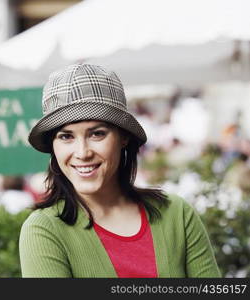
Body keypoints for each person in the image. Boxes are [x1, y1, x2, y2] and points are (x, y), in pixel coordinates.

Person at [19, 64, 220, 278]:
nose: (82, 152)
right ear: (53, 146)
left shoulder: (176, 214)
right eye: (66, 137)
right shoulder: (44, 230)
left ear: (123, 137)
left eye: (97, 134)